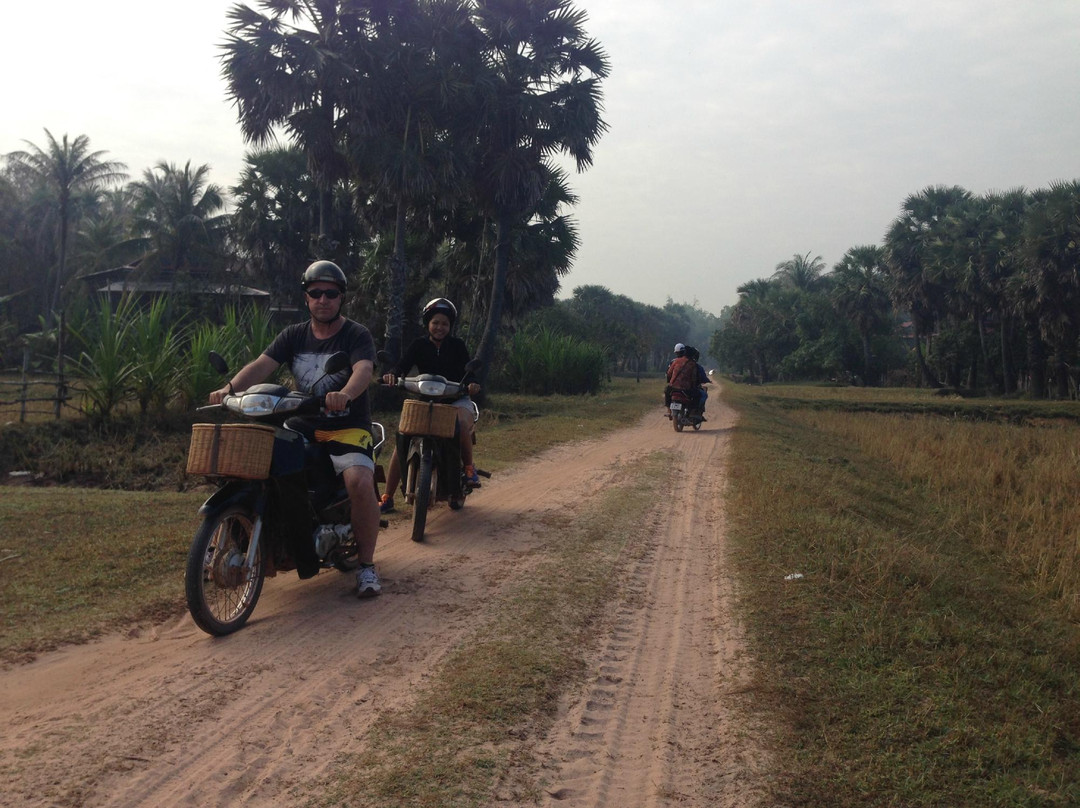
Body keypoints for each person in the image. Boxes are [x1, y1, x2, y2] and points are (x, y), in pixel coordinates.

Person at [209, 260, 383, 598]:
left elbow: (363, 370)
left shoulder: (356, 334)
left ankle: (366, 567)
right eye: (315, 293)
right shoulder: (294, 335)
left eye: (330, 293)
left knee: (360, 481)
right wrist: (229, 389)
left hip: (347, 427)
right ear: (306, 297)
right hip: (301, 423)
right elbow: (261, 365)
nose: (323, 299)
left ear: (341, 297)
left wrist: (344, 394)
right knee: (262, 467)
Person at [378, 297, 481, 514]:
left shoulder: (457, 346)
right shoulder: (418, 345)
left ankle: (469, 469)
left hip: (455, 400)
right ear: (428, 324)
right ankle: (387, 497)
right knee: (401, 441)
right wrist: (392, 375)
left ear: (450, 326)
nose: (440, 327)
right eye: (435, 322)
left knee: (461, 425)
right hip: (426, 399)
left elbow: (469, 372)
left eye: (444, 323)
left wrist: (472, 384)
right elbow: (402, 366)